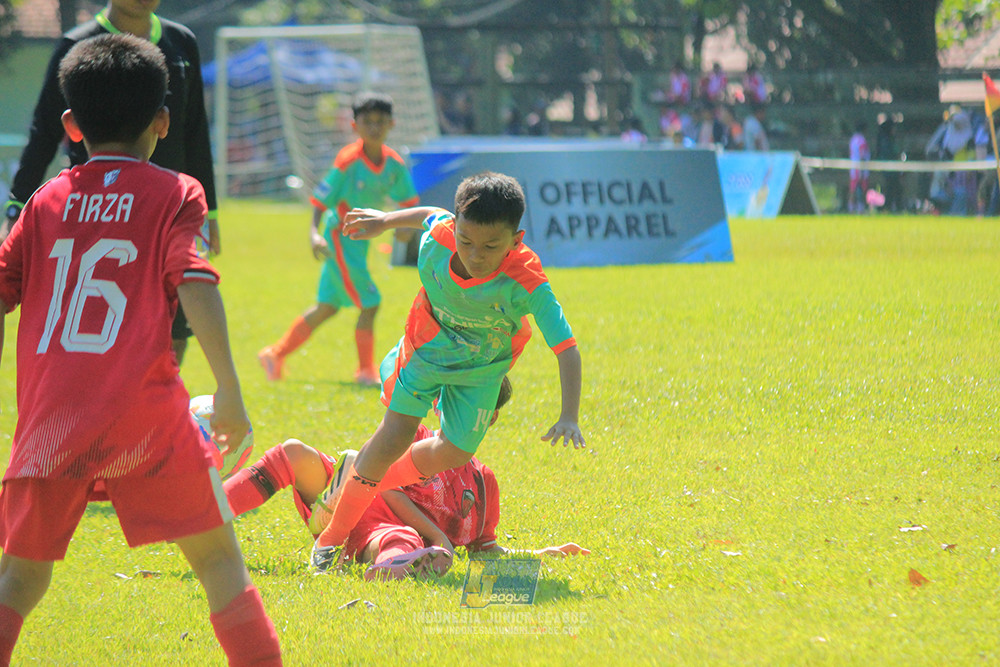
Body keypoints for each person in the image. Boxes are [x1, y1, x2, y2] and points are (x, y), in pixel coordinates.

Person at [0, 34, 280, 665]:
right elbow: (195, 278)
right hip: (146, 415)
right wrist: (229, 387)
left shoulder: (45, 201)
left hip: (50, 421)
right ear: (162, 120)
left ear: (71, 126)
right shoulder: (176, 192)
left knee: (19, 581)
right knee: (217, 563)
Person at [308, 172, 585, 570]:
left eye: (492, 246)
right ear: (456, 228)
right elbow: (429, 215)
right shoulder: (440, 236)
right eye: (467, 241)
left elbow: (567, 348)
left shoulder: (527, 281)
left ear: (516, 241)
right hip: (426, 348)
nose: (476, 254)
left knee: (457, 450)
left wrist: (569, 415)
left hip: (481, 368)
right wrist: (385, 221)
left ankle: (361, 483)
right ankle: (330, 542)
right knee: (394, 436)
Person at [1, 0, 219, 365]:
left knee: (175, 320)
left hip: (169, 209)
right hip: (100, 212)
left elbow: (196, 130)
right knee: (100, 316)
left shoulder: (182, 41)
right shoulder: (77, 44)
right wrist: (17, 204)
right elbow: (44, 131)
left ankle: (159, 394)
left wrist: (210, 211)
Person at [223, 376, 590, 580]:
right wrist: (439, 536)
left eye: (470, 403)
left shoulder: (483, 483)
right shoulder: (413, 438)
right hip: (348, 496)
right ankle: (205, 514)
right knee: (294, 453)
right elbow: (382, 480)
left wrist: (538, 554)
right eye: (451, 397)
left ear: (489, 417)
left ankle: (394, 568)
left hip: (378, 531)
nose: (454, 408)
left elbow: (484, 549)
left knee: (402, 540)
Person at [258, 92, 419, 385]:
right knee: (371, 303)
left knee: (327, 307)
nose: (374, 127)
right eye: (367, 121)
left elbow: (409, 202)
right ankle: (366, 372)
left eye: (380, 121)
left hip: (360, 240)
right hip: (340, 237)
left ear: (391, 124)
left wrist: (406, 228)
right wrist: (314, 236)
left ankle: (274, 354)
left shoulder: (393, 164)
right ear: (354, 124)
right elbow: (320, 202)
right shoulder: (347, 161)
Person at [874, 116, 903, 213]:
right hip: (890, 169)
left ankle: (891, 206)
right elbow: (891, 154)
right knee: (892, 187)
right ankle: (891, 206)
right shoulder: (886, 141)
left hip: (891, 169)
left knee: (893, 188)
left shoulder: (887, 140)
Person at [847, 120, 871, 213]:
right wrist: (861, 169)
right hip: (860, 168)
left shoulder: (853, 139)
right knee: (862, 187)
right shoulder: (861, 140)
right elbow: (862, 154)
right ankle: (860, 207)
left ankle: (851, 207)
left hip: (853, 166)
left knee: (853, 188)